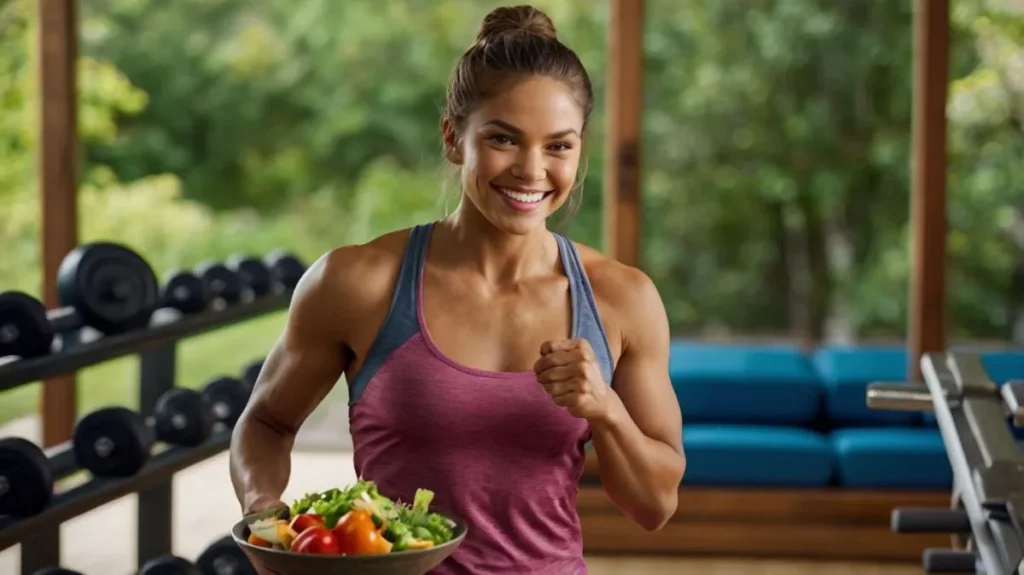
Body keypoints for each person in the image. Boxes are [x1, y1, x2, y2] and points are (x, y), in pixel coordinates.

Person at [229, 5, 686, 574]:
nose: (531, 169)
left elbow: (653, 506)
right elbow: (267, 423)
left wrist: (606, 409)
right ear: (453, 138)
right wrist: (265, 514)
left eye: (558, 146)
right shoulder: (357, 282)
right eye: (503, 138)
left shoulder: (621, 299)